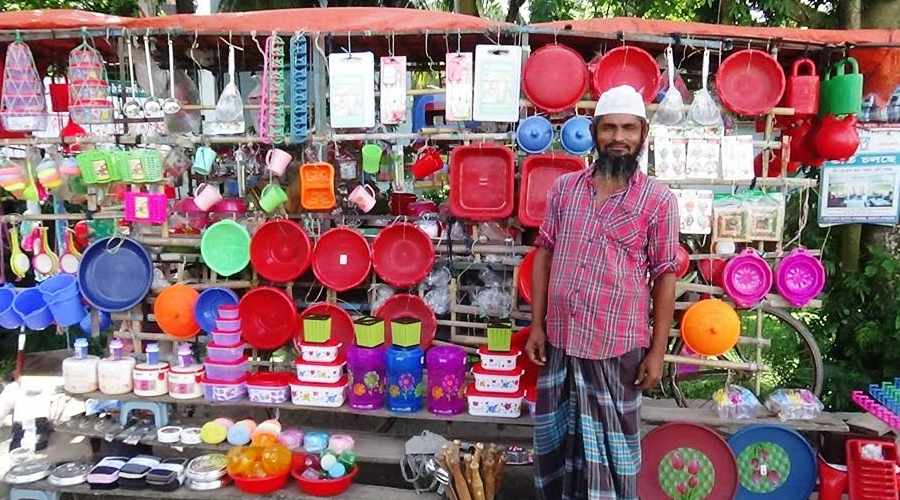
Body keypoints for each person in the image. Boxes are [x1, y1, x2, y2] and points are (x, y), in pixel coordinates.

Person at [526, 85, 680, 500]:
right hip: (561, 338)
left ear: (643, 134)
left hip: (618, 345)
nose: (618, 138)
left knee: (616, 450)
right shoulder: (565, 190)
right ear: (594, 132)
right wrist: (536, 324)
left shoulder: (659, 200)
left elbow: (666, 276)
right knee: (558, 444)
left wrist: (657, 351)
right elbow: (544, 253)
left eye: (628, 128)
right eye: (609, 127)